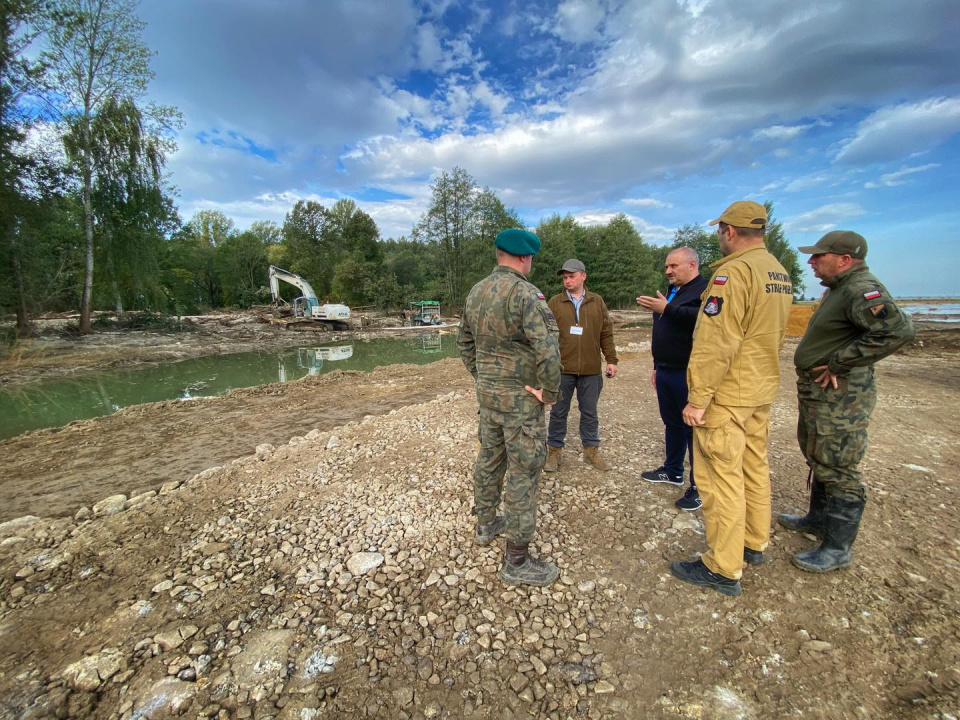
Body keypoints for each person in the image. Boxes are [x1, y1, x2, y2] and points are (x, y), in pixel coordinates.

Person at [668, 201, 793, 596]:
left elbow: (716, 342)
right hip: (758, 389)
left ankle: (723, 567)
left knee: (721, 479)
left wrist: (698, 398)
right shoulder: (777, 271)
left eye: (720, 230)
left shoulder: (733, 274)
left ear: (730, 231)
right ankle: (753, 542)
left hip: (728, 393)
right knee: (753, 467)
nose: (719, 236)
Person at [780, 231, 915, 572]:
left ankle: (837, 548)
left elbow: (897, 331)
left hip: (841, 395)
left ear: (844, 259)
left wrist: (841, 361)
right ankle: (817, 520)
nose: (811, 261)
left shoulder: (860, 288)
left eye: (819, 255)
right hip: (820, 392)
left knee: (838, 465)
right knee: (818, 454)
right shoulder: (838, 289)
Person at [458, 228, 562, 587]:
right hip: (520, 402)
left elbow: (464, 343)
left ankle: (486, 524)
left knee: (489, 459)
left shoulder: (476, 291)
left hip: (489, 399)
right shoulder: (525, 294)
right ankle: (517, 560)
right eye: (531, 258)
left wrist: (483, 378)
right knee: (523, 471)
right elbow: (548, 350)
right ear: (524, 257)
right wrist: (549, 393)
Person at [636, 247, 709, 510]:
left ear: (692, 264)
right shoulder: (672, 291)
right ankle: (673, 470)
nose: (668, 271)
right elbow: (664, 329)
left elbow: (701, 320)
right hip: (666, 369)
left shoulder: (705, 290)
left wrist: (668, 309)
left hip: (688, 371)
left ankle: (700, 487)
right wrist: (657, 365)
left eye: (673, 266)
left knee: (693, 429)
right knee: (672, 423)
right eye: (667, 266)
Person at [543, 259, 618, 473]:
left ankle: (591, 451)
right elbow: (545, 336)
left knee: (590, 412)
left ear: (583, 276)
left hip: (591, 370)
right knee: (558, 412)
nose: (567, 280)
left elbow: (606, 333)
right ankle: (554, 452)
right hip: (562, 370)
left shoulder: (597, 301)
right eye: (565, 277)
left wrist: (611, 360)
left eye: (571, 276)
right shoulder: (555, 303)